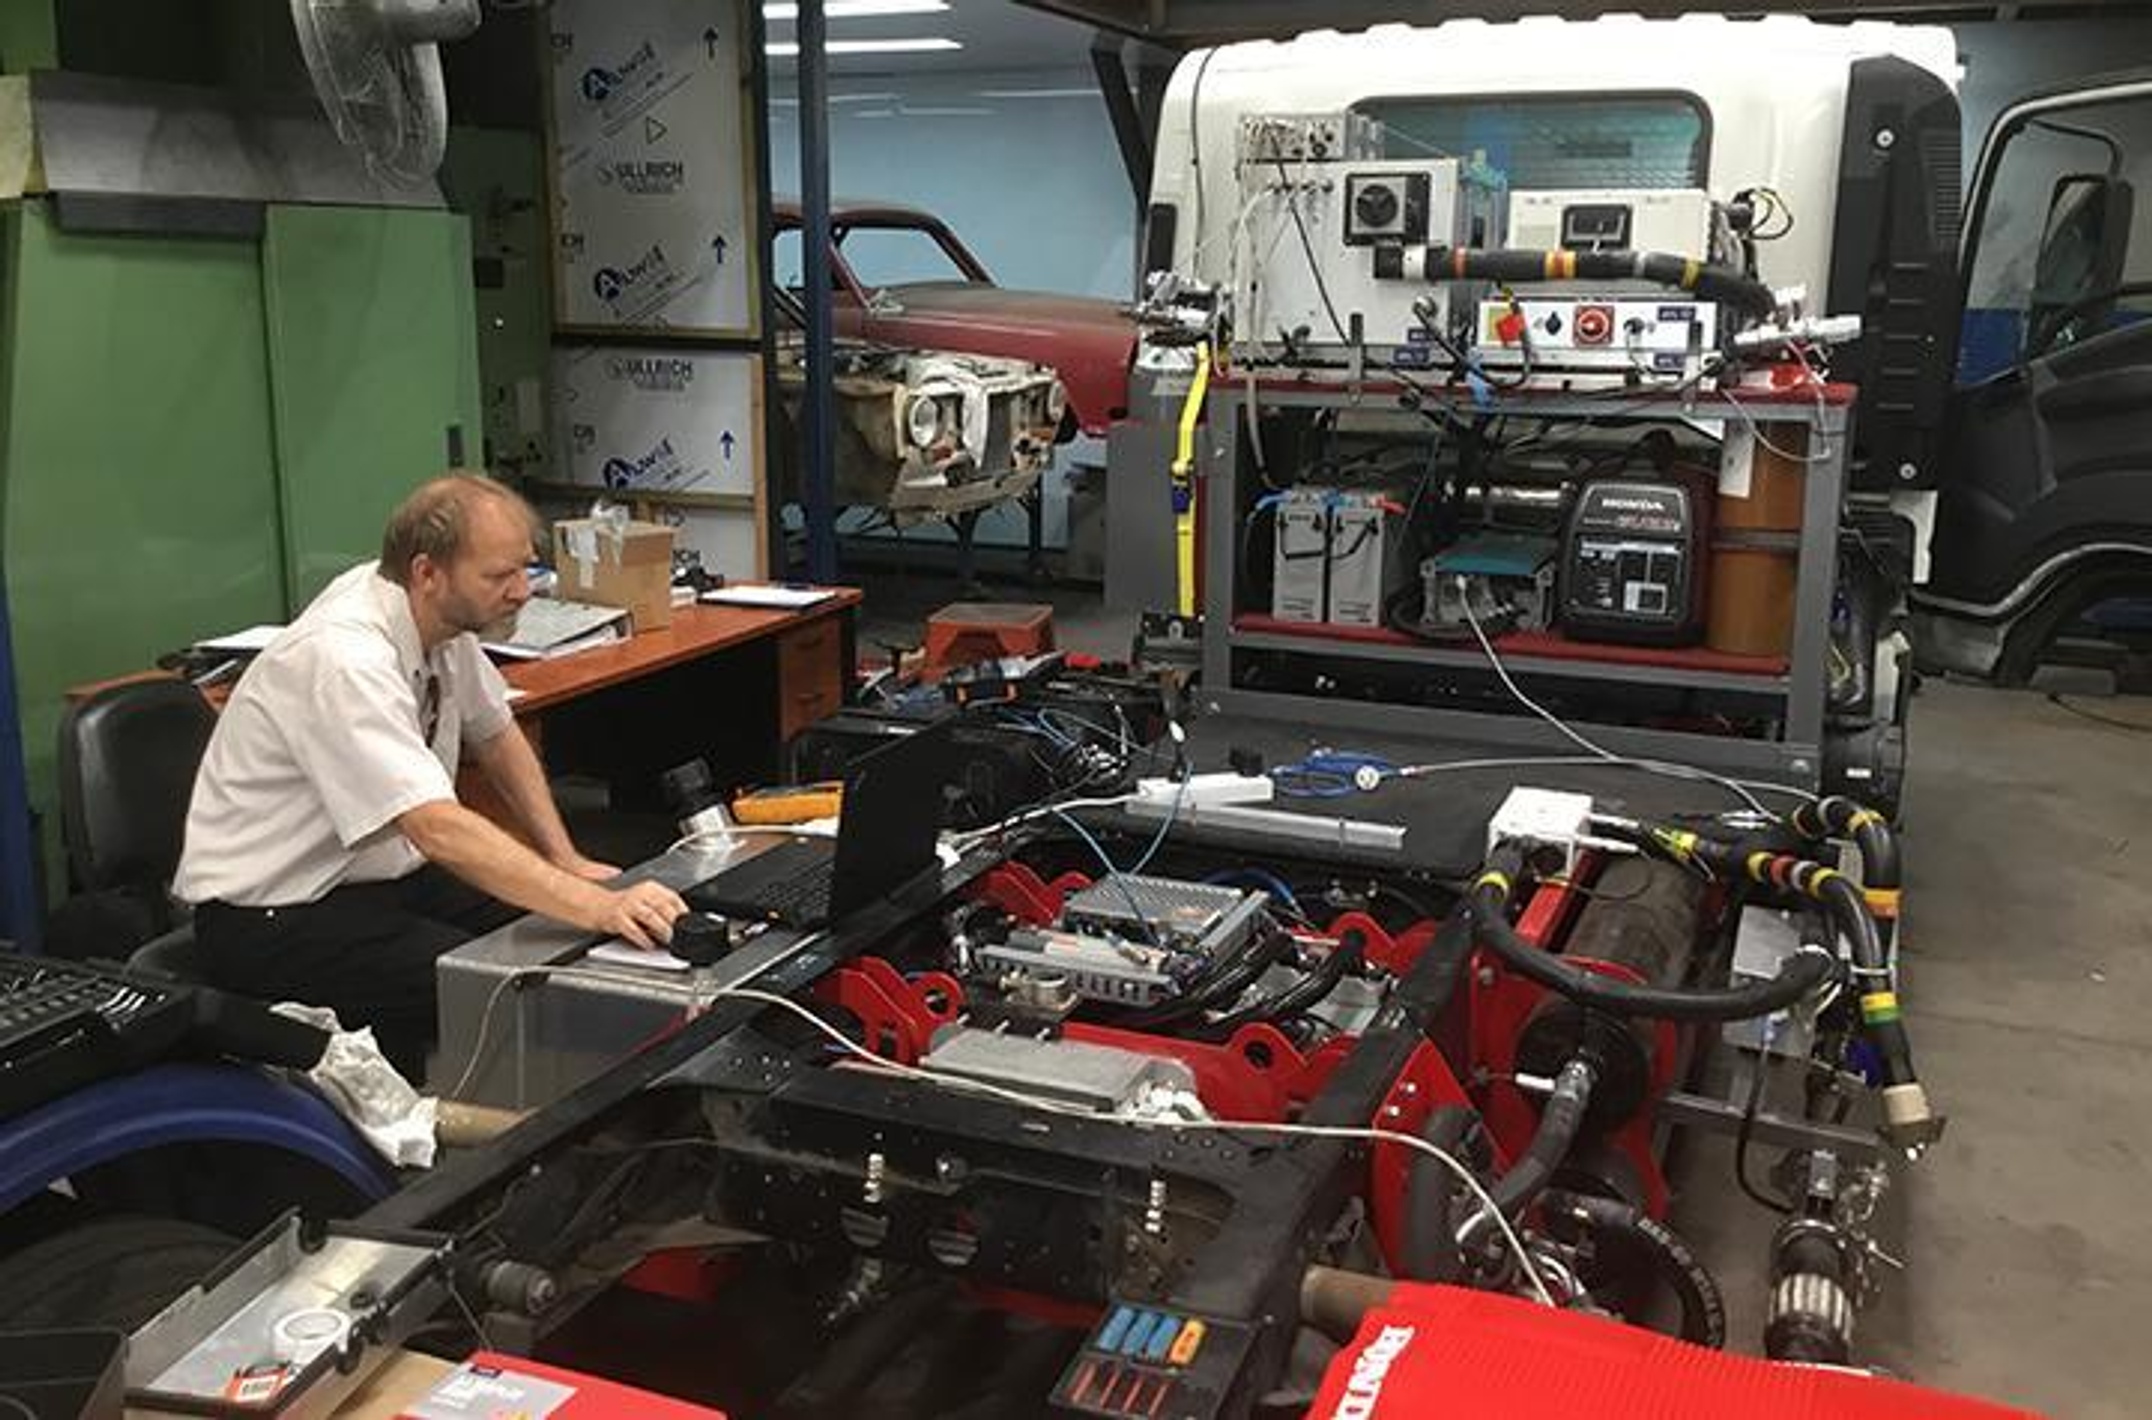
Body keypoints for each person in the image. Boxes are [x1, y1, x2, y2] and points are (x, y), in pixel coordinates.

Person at [174, 473, 688, 1079]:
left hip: (382, 881)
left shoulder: (440, 621)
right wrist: (593, 905)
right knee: (507, 988)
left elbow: (496, 735)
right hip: (275, 916)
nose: (522, 591)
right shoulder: (344, 658)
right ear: (427, 572)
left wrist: (566, 860)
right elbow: (436, 827)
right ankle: (487, 1145)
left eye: (525, 568)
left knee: (570, 943)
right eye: (500, 577)